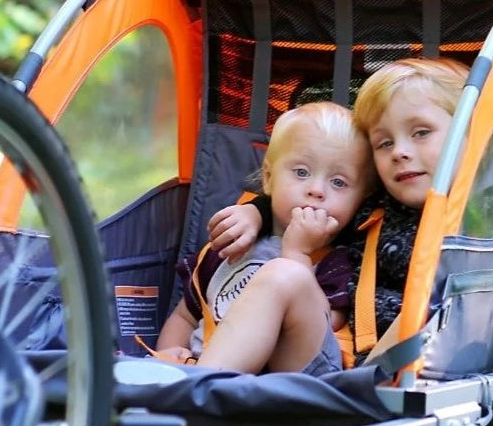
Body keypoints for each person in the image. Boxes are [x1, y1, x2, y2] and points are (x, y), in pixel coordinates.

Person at [211, 58, 469, 362]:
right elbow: (313, 206)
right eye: (384, 143)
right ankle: (198, 388)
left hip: (414, 365)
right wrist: (257, 212)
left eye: (421, 132)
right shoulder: (373, 209)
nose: (399, 152)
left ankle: (196, 392)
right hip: (336, 365)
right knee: (283, 273)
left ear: (473, 130)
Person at [155, 101, 375, 374]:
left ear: (359, 200)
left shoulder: (341, 260)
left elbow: (325, 323)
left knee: (286, 274)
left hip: (295, 378)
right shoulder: (234, 241)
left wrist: (298, 253)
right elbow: (185, 315)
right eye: (301, 172)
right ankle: (185, 383)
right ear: (269, 178)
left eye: (338, 182)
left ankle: (198, 385)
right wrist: (167, 355)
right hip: (207, 367)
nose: (317, 190)